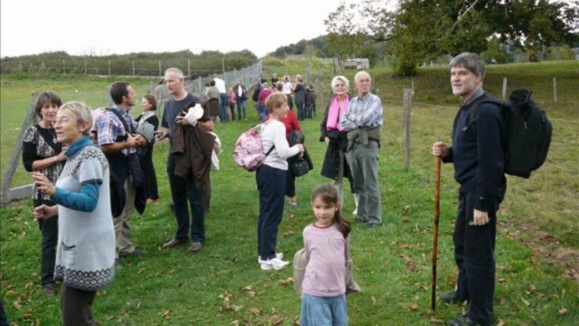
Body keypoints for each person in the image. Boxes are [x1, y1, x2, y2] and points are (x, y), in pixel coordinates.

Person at [432, 52, 506, 326]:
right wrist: (448, 153)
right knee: (462, 244)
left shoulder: (486, 111)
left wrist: (483, 204)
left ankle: (481, 317)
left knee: (478, 255)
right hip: (469, 189)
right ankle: (465, 291)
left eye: (462, 73)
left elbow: (492, 162)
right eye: (453, 73)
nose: (456, 78)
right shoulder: (467, 107)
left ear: (479, 77)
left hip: (480, 191)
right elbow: (473, 150)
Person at [32, 101, 115, 326]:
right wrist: (54, 210)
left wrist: (54, 192)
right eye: (56, 120)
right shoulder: (74, 156)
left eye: (64, 120)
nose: (56, 124)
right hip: (77, 244)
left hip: (88, 246)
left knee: (75, 316)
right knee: (76, 313)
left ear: (83, 126)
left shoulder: (89, 156)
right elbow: (78, 196)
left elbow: (89, 202)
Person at [157, 67, 213, 254]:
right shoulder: (170, 105)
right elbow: (168, 127)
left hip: (192, 157)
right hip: (175, 155)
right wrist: (163, 133)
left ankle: (198, 237)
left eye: (171, 81)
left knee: (195, 198)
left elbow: (210, 126)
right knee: (178, 197)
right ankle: (181, 236)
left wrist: (193, 122)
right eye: (166, 81)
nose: (168, 84)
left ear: (181, 81)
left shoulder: (196, 102)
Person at [95, 82, 147, 265]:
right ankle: (111, 256)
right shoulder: (108, 118)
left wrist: (138, 140)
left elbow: (131, 136)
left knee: (126, 211)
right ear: (124, 98)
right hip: (116, 171)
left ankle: (125, 247)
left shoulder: (127, 116)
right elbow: (105, 145)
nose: (135, 95)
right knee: (116, 212)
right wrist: (128, 144)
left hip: (130, 168)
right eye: (132, 93)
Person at [22, 91, 66, 297]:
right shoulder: (33, 133)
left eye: (54, 106)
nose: (51, 110)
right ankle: (48, 281)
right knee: (50, 237)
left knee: (68, 232)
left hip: (67, 189)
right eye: (47, 107)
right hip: (45, 191)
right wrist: (57, 158)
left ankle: (65, 272)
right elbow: (29, 164)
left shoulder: (63, 129)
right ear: (40, 110)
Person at [256, 93, 304, 270]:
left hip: (264, 171)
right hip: (274, 172)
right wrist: (298, 147)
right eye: (284, 106)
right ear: (275, 108)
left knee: (265, 213)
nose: (287, 109)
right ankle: (268, 257)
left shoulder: (266, 124)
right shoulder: (277, 126)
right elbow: (283, 152)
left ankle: (265, 253)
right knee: (272, 214)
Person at [300, 184, 351, 326]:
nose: (322, 212)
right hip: (315, 291)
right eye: (318, 207)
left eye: (327, 207)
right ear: (312, 206)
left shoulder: (343, 229)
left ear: (336, 207)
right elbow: (309, 256)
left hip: (338, 290)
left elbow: (346, 258)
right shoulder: (308, 232)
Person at [339, 71, 383, 227]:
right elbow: (342, 123)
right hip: (353, 146)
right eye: (361, 81)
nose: (365, 83)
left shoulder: (375, 100)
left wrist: (353, 120)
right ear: (356, 84)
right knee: (358, 182)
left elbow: (367, 119)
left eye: (367, 81)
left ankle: (375, 219)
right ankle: (362, 214)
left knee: (370, 182)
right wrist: (357, 123)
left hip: (368, 144)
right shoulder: (353, 102)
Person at [320, 76, 359, 215]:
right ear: (333, 88)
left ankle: (359, 206)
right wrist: (325, 137)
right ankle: (338, 206)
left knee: (354, 175)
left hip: (350, 142)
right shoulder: (331, 104)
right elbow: (323, 124)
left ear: (347, 87)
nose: (340, 88)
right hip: (334, 144)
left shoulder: (354, 102)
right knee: (336, 177)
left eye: (342, 85)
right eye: (337, 85)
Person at [135, 94, 159, 204]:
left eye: (144, 102)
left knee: (148, 170)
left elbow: (148, 134)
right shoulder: (143, 116)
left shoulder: (153, 118)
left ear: (150, 105)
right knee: (142, 170)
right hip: (139, 146)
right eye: (142, 102)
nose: (142, 104)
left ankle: (153, 195)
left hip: (146, 147)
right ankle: (146, 193)